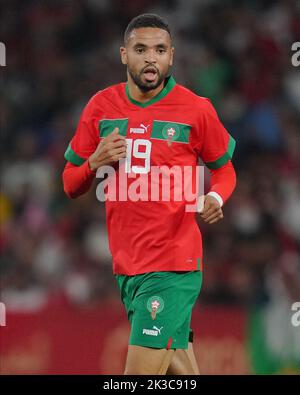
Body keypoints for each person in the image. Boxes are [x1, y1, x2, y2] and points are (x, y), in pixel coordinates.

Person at [62, 13, 236, 375]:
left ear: (171, 56)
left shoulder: (196, 109)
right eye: (141, 49)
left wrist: (215, 198)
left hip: (173, 265)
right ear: (124, 54)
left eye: (159, 50)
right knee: (179, 374)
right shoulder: (100, 107)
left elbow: (225, 169)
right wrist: (94, 161)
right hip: (128, 267)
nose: (150, 58)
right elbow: (70, 184)